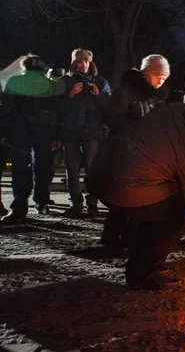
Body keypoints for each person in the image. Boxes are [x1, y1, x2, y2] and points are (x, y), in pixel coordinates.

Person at [86, 104, 185, 290]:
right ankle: (144, 273)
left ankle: (138, 253)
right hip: (121, 185)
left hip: (101, 168)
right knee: (181, 211)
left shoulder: (183, 112)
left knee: (164, 202)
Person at [101, 54, 171, 250]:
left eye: (164, 78)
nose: (161, 81)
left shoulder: (150, 97)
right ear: (147, 74)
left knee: (136, 196)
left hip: (143, 152)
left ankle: (128, 235)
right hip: (125, 150)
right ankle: (114, 236)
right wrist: (139, 130)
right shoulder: (125, 92)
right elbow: (114, 118)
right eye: (158, 76)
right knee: (125, 196)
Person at [0, 55, 64, 224]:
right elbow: (59, 113)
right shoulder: (51, 85)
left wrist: (4, 132)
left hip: (19, 133)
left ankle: (19, 207)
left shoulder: (14, 82)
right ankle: (41, 202)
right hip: (45, 132)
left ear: (25, 67)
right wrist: (58, 136)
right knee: (43, 168)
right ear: (43, 69)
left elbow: (6, 110)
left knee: (20, 170)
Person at [59, 49, 111, 218]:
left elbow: (109, 106)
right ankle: (76, 203)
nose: (84, 65)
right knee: (72, 169)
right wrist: (71, 94)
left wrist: (98, 95)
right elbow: (57, 107)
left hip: (92, 131)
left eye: (87, 61)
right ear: (74, 63)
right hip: (71, 131)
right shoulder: (65, 82)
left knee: (92, 169)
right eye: (80, 61)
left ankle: (92, 204)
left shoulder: (100, 82)